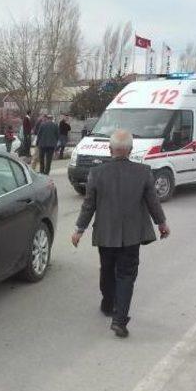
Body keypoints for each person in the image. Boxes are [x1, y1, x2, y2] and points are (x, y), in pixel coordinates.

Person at [72, 130, 170, 338]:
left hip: (105, 234)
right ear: (131, 150)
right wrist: (161, 223)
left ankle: (108, 304)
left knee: (107, 271)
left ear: (110, 150)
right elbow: (153, 202)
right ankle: (119, 320)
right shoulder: (143, 172)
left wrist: (79, 230)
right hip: (132, 236)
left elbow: (89, 205)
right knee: (126, 276)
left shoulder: (97, 173)